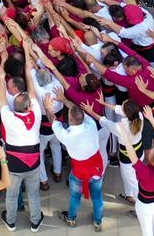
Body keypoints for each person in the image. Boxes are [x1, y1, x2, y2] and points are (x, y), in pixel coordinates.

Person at [48, 98, 104, 230]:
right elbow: (77, 111)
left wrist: (48, 106)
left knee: (75, 197)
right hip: (96, 168)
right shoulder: (91, 124)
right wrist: (63, 99)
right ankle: (98, 221)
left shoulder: (67, 135)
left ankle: (71, 218)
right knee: (97, 197)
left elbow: (53, 121)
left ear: (71, 120)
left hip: (79, 171)